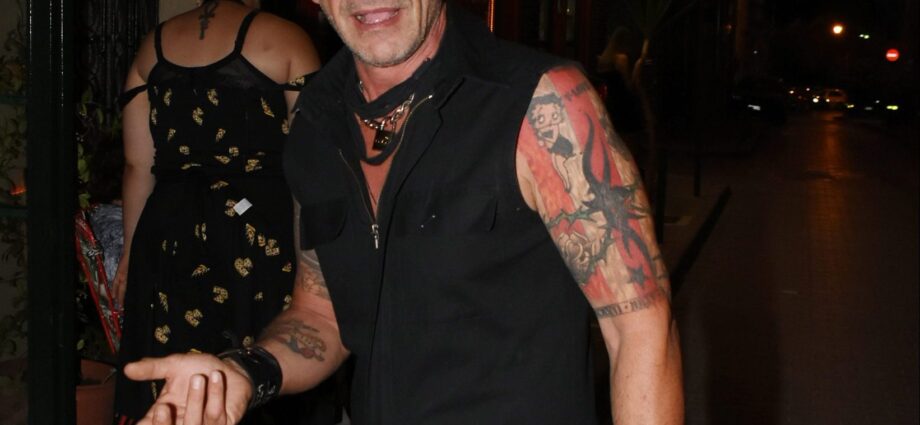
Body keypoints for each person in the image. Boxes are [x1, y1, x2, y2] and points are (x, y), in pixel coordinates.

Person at [125, 1, 684, 424]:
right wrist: (243, 373)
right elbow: (322, 314)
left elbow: (639, 329)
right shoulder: (313, 123)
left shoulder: (541, 103)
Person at [113, 0, 333, 423]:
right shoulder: (287, 38)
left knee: (174, 390)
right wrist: (315, 261)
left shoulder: (152, 46)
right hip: (255, 236)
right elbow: (314, 169)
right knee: (259, 376)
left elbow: (138, 165)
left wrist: (129, 255)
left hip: (170, 233)